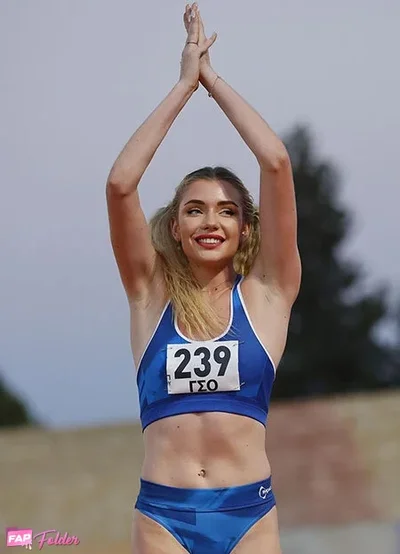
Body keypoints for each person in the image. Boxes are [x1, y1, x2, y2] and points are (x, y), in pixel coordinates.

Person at [106, 3, 301, 553]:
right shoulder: (149, 295)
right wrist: (182, 86)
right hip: (164, 516)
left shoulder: (268, 294)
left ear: (245, 228)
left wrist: (211, 82)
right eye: (194, 209)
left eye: (226, 211)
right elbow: (121, 185)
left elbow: (276, 163)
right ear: (176, 225)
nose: (210, 222)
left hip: (249, 514)